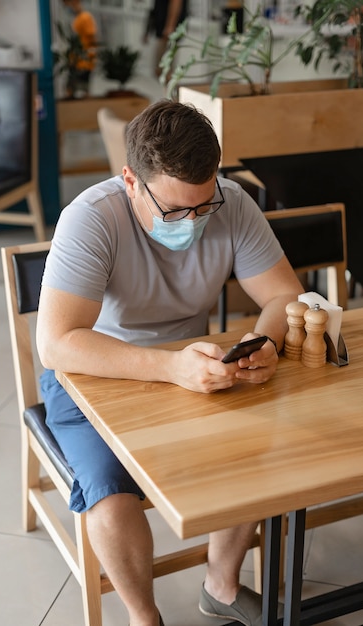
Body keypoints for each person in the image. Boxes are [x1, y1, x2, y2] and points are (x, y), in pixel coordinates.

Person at [36, 100, 303, 626]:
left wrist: (267, 342)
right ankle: (144, 617)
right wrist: (169, 367)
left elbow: (284, 297)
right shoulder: (91, 219)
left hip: (195, 364)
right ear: (130, 180)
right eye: (177, 212)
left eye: (205, 207)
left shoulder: (231, 203)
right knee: (113, 498)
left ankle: (221, 587)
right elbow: (58, 344)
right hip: (94, 374)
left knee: (256, 456)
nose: (196, 222)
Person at [62, 0, 98, 98]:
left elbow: (92, 36)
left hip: (84, 59)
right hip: (76, 59)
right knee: (71, 88)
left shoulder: (85, 17)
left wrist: (91, 54)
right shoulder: (77, 18)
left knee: (82, 88)